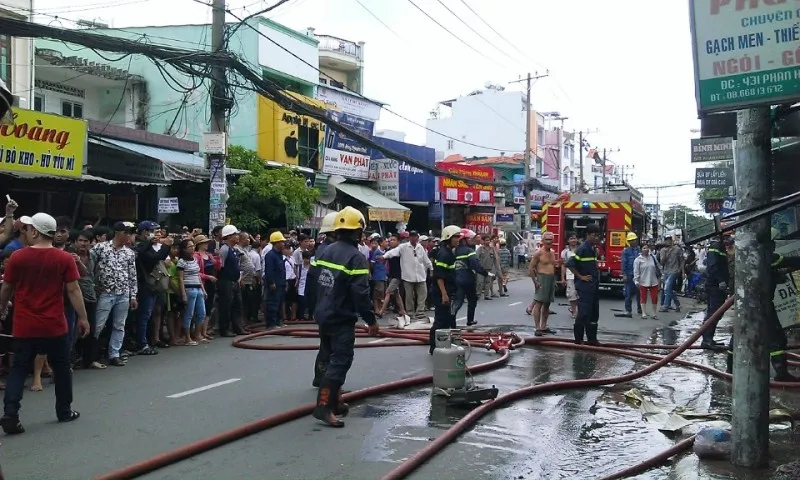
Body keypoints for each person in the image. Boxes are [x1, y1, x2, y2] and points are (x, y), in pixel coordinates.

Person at [0, 213, 90, 434]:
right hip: (54, 324)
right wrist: (83, 317)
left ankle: (11, 413)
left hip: (25, 324)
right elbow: (73, 290)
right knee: (62, 367)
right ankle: (64, 411)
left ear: (35, 231)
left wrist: (1, 309)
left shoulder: (18, 257)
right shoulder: (64, 258)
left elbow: (7, 287)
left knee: (19, 368)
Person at [312, 207, 379, 427]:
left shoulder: (325, 251)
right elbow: (360, 294)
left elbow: (314, 280)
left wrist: (318, 307)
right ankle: (324, 407)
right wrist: (371, 320)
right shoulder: (356, 257)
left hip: (324, 314)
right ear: (358, 231)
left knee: (329, 356)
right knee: (340, 361)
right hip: (340, 318)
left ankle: (336, 400)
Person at [726, 229, 800, 381]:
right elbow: (790, 261)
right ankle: (781, 373)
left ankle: (730, 368)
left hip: (745, 303)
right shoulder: (764, 254)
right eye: (772, 242)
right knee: (777, 338)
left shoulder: (748, 254)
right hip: (761, 304)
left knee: (739, 334)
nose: (774, 245)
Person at [309, 211, 338, 388]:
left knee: (326, 344)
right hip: (330, 304)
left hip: (323, 304)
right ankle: (326, 381)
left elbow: (313, 280)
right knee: (332, 346)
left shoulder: (322, 250)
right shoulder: (331, 251)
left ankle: (320, 377)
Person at [566, 224, 602, 345]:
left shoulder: (593, 249)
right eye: (594, 235)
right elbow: (569, 264)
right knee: (584, 313)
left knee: (594, 313)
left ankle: (592, 339)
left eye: (598, 236)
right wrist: (581, 276)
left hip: (593, 286)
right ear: (588, 235)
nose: (596, 238)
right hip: (585, 287)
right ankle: (579, 339)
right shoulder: (583, 248)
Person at [429, 225, 462, 354]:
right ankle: (433, 347)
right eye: (455, 237)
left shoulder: (449, 252)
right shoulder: (444, 254)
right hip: (441, 292)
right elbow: (439, 276)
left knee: (447, 320)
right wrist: (444, 294)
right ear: (448, 238)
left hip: (448, 291)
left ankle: (443, 345)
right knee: (440, 321)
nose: (458, 240)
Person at [453, 228, 486, 327]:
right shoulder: (469, 251)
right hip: (468, 280)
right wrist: (484, 273)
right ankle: (470, 320)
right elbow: (475, 264)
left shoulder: (453, 251)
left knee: (458, 301)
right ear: (464, 240)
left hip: (456, 280)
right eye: (468, 238)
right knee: (472, 300)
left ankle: (451, 321)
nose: (470, 240)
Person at [701, 236, 728, 349]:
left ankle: (709, 339)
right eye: (727, 237)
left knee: (716, 313)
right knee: (714, 313)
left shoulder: (720, 247)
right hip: (715, 286)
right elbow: (712, 266)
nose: (729, 239)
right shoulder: (715, 247)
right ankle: (707, 340)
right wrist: (720, 280)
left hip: (716, 286)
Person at [529, 232, 557, 336]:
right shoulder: (538, 253)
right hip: (542, 278)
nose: (549, 242)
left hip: (551, 278)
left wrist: (555, 280)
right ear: (542, 241)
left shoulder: (552, 253)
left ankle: (543, 327)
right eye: (547, 239)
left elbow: (553, 266)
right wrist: (535, 281)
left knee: (547, 304)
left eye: (550, 240)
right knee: (539, 304)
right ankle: (537, 328)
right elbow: (531, 268)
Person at [263, 231, 287, 329]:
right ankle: (271, 324)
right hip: (274, 284)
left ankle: (278, 322)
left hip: (280, 283)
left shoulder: (279, 254)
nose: (283, 244)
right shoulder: (270, 255)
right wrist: (272, 282)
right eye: (281, 242)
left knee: (279, 303)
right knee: (272, 303)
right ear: (276, 243)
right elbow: (269, 270)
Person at [633, 243, 661, 319]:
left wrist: (661, 277)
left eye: (647, 248)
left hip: (653, 280)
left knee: (654, 297)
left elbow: (658, 267)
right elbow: (636, 271)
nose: (646, 249)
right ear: (641, 250)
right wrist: (636, 281)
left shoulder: (653, 257)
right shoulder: (638, 260)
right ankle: (644, 313)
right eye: (644, 248)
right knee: (643, 297)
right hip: (643, 281)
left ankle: (654, 313)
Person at [621, 232, 642, 317]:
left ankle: (640, 309)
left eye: (634, 240)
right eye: (631, 240)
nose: (633, 241)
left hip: (638, 275)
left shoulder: (639, 250)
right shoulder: (626, 251)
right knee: (628, 293)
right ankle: (628, 310)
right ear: (629, 242)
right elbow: (624, 263)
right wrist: (624, 275)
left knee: (639, 293)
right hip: (629, 275)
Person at [560, 232, 579, 319]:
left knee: (579, 295)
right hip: (570, 276)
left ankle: (576, 310)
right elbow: (563, 266)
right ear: (568, 240)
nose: (573, 240)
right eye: (571, 238)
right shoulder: (565, 252)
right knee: (571, 294)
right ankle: (574, 312)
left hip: (580, 276)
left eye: (575, 238)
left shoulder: (581, 250)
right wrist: (562, 278)